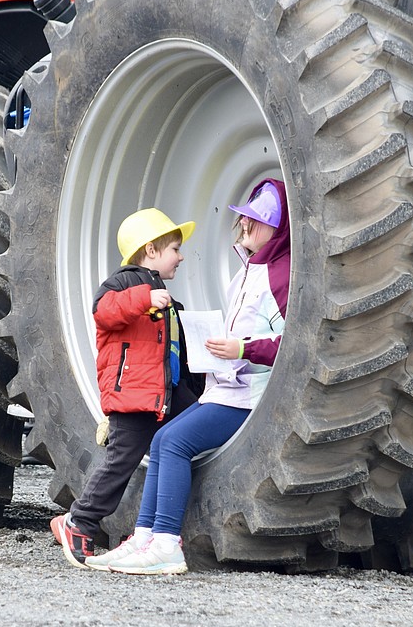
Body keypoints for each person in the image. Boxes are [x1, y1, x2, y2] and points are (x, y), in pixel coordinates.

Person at [88, 178, 291, 575]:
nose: (245, 226)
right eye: (245, 219)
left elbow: (291, 343)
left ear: (278, 228)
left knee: (174, 442)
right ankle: (145, 538)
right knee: (162, 439)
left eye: (256, 221)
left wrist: (242, 350)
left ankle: (166, 543)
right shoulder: (244, 275)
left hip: (249, 394)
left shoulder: (278, 277)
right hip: (227, 388)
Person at [50, 208, 201, 568]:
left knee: (191, 430)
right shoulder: (124, 284)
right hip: (133, 397)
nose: (180, 256)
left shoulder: (162, 295)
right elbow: (104, 311)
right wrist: (145, 300)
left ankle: (150, 534)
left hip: (163, 395)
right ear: (151, 250)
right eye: (175, 249)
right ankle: (78, 522)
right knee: (121, 462)